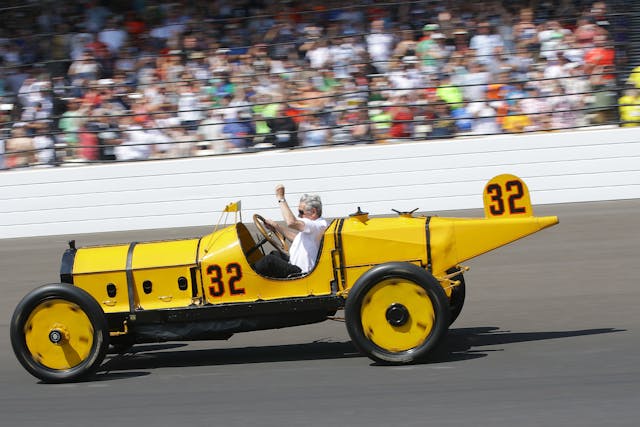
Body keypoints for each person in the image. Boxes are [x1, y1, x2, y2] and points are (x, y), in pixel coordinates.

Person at [253, 186, 328, 278]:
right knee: (275, 254)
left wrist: (281, 198)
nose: (299, 215)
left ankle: (247, 279)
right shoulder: (314, 226)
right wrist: (276, 227)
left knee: (268, 261)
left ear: (313, 212)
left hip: (302, 274)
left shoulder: (318, 225)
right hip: (296, 266)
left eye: (301, 212)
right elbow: (297, 238)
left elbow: (291, 222)